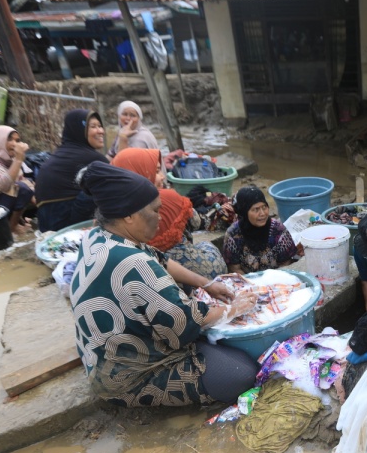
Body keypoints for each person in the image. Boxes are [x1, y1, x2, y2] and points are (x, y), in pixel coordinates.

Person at [70, 161, 260, 407]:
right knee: (242, 372)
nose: (160, 218)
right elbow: (184, 324)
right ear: (128, 215)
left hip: (100, 363)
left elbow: (159, 258)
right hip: (130, 378)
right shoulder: (134, 264)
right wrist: (234, 308)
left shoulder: (97, 235)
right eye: (155, 211)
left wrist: (208, 284)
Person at [111, 147, 227, 282]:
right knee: (206, 245)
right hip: (192, 273)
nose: (163, 176)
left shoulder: (115, 211)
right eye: (156, 171)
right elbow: (199, 222)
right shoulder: (165, 198)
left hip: (151, 276)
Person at [35, 109, 107, 232]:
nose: (101, 131)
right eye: (93, 126)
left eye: (100, 126)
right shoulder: (92, 158)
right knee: (104, 184)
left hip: (46, 224)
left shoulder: (64, 152)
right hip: (65, 226)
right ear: (79, 130)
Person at [222, 186, 301, 275]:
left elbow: (286, 264)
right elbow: (234, 269)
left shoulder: (278, 230)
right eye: (256, 209)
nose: (262, 213)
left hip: (277, 280)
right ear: (244, 211)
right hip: (247, 283)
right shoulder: (233, 234)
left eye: (264, 207)